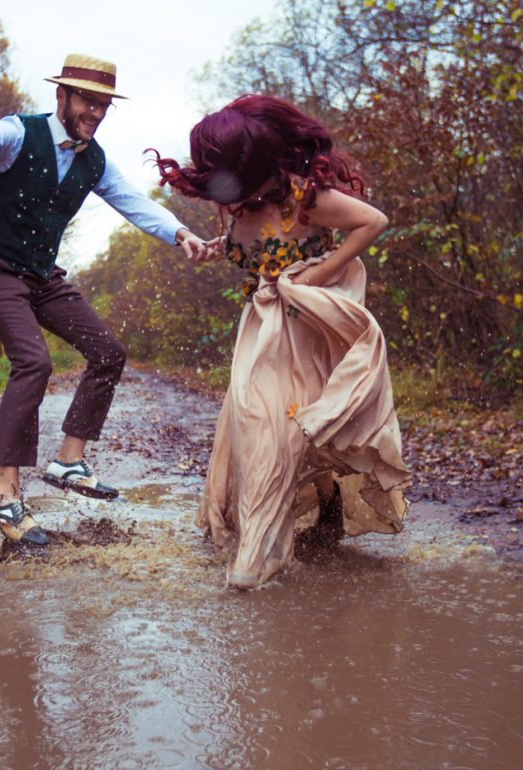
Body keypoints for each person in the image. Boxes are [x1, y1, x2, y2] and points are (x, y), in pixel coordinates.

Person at [0, 53, 206, 545]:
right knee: (34, 362)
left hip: (44, 276)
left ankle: (69, 460)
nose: (95, 112)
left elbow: (134, 203)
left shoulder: (94, 161)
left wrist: (181, 233)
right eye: (87, 102)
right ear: (62, 97)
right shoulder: (16, 133)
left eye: (103, 106)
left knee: (108, 352)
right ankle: (3, 496)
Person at [151, 94, 411, 589]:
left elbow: (372, 222)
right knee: (259, 428)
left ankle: (282, 544)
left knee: (299, 430)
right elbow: (244, 243)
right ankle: (264, 545)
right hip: (262, 334)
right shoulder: (236, 202)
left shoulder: (304, 198)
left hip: (307, 333)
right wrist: (212, 248)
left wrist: (320, 273)